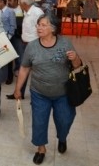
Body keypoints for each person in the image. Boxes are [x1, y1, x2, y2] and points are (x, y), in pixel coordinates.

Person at [13, 13, 82, 165]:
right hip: (39, 93)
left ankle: (62, 138)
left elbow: (77, 65)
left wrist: (75, 58)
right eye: (38, 24)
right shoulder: (32, 46)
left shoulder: (65, 43)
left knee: (65, 120)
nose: (39, 27)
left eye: (43, 25)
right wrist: (18, 89)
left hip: (63, 93)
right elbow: (24, 68)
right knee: (39, 122)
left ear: (53, 28)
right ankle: (41, 149)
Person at [6, 0, 44, 99]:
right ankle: (19, 93)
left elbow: (42, 29)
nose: (19, 5)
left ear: (24, 3)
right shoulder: (26, 12)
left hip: (35, 46)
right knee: (24, 68)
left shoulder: (37, 12)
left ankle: (39, 94)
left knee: (37, 70)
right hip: (27, 44)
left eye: (20, 3)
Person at [0, 0, 17, 84]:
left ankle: (9, 77)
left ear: (2, 2)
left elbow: (13, 25)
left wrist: (9, 37)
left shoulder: (10, 12)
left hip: (7, 37)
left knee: (8, 59)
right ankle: (1, 76)